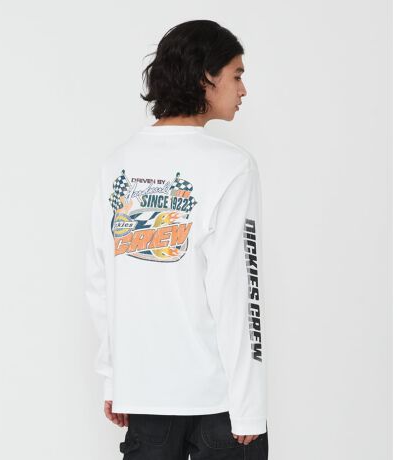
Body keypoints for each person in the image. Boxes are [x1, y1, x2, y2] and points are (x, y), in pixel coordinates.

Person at [85, 19, 269, 459]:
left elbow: (100, 282)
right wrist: (249, 407)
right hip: (219, 404)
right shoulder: (231, 166)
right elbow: (237, 291)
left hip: (144, 398)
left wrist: (115, 381)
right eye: (237, 75)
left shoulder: (118, 162)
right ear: (207, 76)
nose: (243, 90)